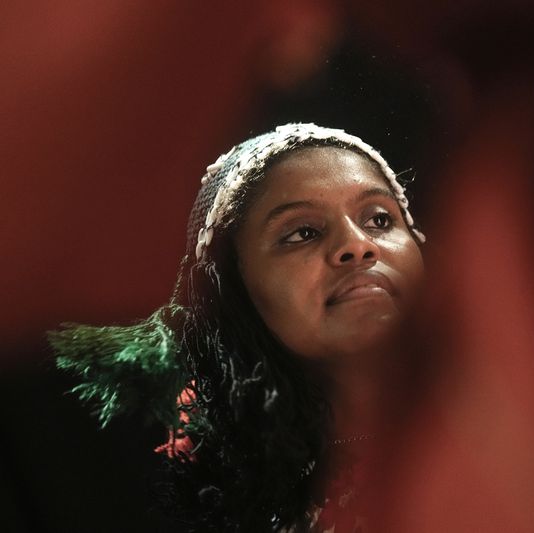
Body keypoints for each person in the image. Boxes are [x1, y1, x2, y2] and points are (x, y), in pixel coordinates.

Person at [50, 123, 426, 532]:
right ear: (233, 291)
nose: (357, 244)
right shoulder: (214, 500)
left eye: (378, 219)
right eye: (303, 233)